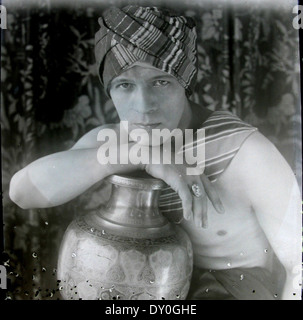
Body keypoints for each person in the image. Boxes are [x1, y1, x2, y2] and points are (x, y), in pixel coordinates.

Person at [9, 5, 301, 300]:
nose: (144, 106)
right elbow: (22, 193)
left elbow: (300, 264)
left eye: (160, 82)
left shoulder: (245, 151)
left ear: (184, 84)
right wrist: (143, 156)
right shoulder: (114, 140)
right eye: (124, 85)